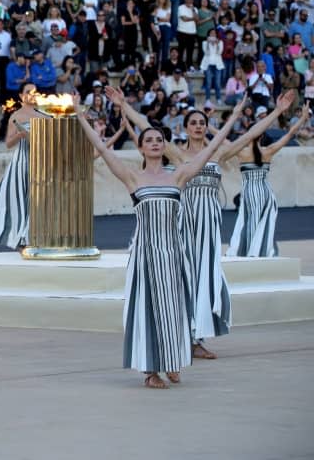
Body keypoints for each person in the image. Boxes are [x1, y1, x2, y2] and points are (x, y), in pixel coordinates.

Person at [73, 92, 244, 389]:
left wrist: (232, 118)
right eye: (148, 140)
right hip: (145, 252)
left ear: (164, 146)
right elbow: (101, 146)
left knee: (175, 306)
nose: (154, 143)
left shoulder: (178, 176)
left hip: (173, 250)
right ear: (140, 147)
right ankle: (151, 369)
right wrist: (77, 113)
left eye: (158, 140)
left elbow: (211, 148)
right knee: (148, 308)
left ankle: (173, 359)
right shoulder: (131, 178)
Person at [114, 87, 295, 359]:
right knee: (183, 275)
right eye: (193, 123)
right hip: (183, 220)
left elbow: (250, 134)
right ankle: (181, 335)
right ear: (185, 128)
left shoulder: (218, 154)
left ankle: (196, 337)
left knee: (205, 276)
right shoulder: (176, 154)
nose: (198, 126)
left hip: (209, 222)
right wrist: (123, 106)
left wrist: (278, 112)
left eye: (202, 123)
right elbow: (144, 125)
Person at [228, 105, 312, 257]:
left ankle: (249, 253)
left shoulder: (241, 152)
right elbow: (290, 134)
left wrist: (210, 128)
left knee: (247, 223)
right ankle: (262, 252)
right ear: (261, 136)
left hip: (249, 192)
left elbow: (222, 143)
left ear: (249, 135)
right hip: (266, 193)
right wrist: (303, 118)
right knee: (264, 224)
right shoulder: (268, 151)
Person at [0, 83, 41, 250]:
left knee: (39, 200)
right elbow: (8, 143)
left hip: (43, 161)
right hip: (23, 161)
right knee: (23, 199)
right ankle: (22, 238)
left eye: (34, 91)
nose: (32, 94)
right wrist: (21, 134)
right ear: (21, 96)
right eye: (28, 92)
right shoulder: (17, 115)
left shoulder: (45, 113)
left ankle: (37, 236)